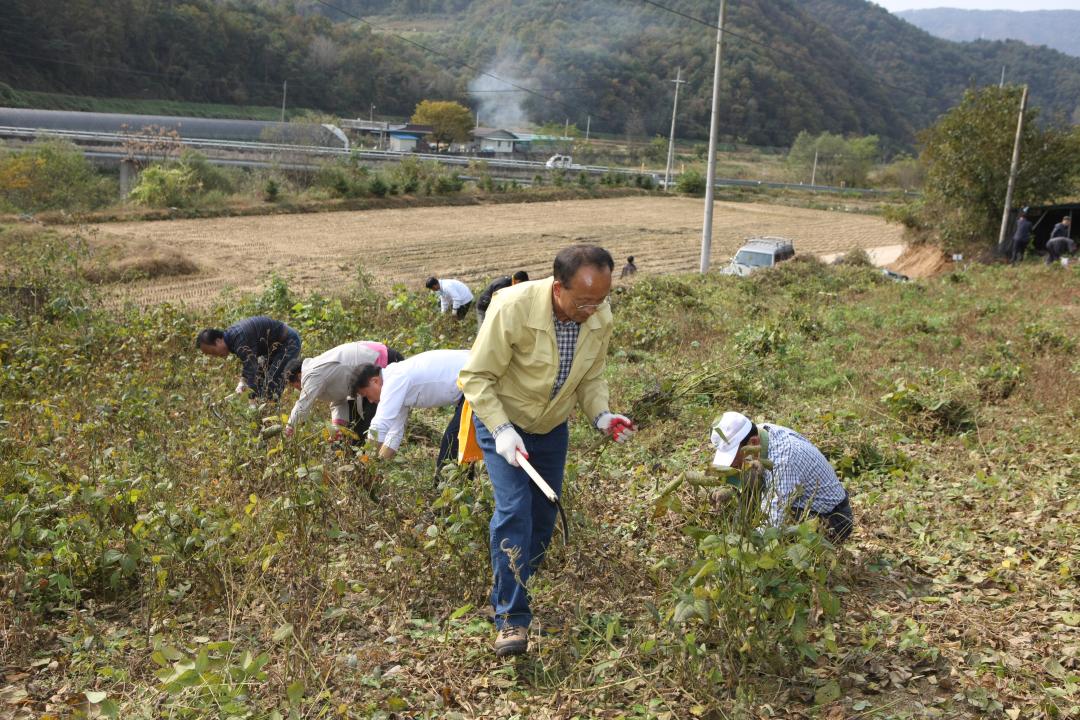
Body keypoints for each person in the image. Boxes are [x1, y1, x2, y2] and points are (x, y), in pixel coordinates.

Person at [459, 244, 636, 658]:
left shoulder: (598, 315)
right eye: (584, 301)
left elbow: (591, 376)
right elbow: (476, 377)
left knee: (543, 515)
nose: (594, 310)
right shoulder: (512, 308)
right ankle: (510, 619)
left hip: (551, 426)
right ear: (558, 288)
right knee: (514, 511)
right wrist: (502, 429)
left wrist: (602, 415)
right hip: (503, 421)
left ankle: (512, 583)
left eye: (602, 300)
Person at [709, 411, 854, 543]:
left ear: (753, 443)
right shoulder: (759, 432)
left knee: (776, 539)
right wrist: (729, 491)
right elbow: (745, 476)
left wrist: (744, 551)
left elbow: (772, 524)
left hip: (833, 518)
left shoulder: (784, 459)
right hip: (799, 502)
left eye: (735, 457)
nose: (734, 464)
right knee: (750, 471)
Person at [352, 349, 471, 473]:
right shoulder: (396, 383)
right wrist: (377, 468)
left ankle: (448, 484)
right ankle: (464, 483)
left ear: (375, 381)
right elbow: (394, 435)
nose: (370, 401)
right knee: (461, 440)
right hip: (470, 383)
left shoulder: (395, 379)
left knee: (453, 440)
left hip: (477, 377)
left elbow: (379, 426)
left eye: (366, 395)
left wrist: (364, 468)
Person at [283, 341, 404, 440]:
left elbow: (303, 403)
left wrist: (290, 427)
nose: (299, 389)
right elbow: (338, 400)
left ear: (299, 376)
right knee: (360, 429)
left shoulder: (312, 373)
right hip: (370, 375)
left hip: (383, 362)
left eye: (296, 386)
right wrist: (338, 427)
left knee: (376, 422)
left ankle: (381, 453)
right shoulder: (319, 374)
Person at [197, 316, 301, 401]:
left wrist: (252, 400)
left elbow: (252, 370)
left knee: (271, 385)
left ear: (218, 341)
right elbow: (248, 363)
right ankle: (265, 410)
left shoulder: (239, 338)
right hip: (273, 348)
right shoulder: (232, 338)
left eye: (212, 351)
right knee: (261, 381)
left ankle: (270, 415)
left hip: (288, 343)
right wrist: (243, 381)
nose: (215, 356)